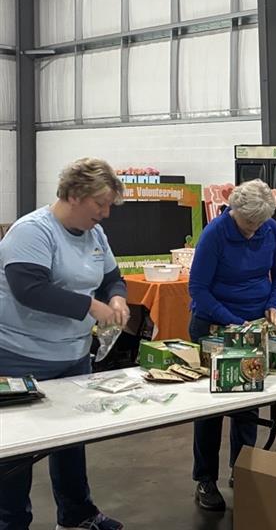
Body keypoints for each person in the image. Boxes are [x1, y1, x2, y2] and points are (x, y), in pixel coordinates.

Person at [0, 158, 128, 530]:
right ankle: (11, 522)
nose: (105, 213)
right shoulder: (32, 232)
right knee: (15, 452)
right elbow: (30, 290)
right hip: (21, 357)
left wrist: (116, 297)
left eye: (109, 206)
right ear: (74, 195)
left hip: (73, 356)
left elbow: (112, 277)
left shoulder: (95, 235)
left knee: (72, 440)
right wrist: (90, 306)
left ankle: (77, 514)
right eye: (100, 204)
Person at [187, 179, 276, 511]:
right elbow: (198, 289)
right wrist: (231, 321)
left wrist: (274, 304)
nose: (253, 229)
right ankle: (205, 479)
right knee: (211, 409)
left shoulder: (270, 229)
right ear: (234, 210)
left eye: (259, 223)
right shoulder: (215, 234)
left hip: (253, 324)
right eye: (248, 222)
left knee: (248, 403)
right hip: (214, 325)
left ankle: (241, 469)